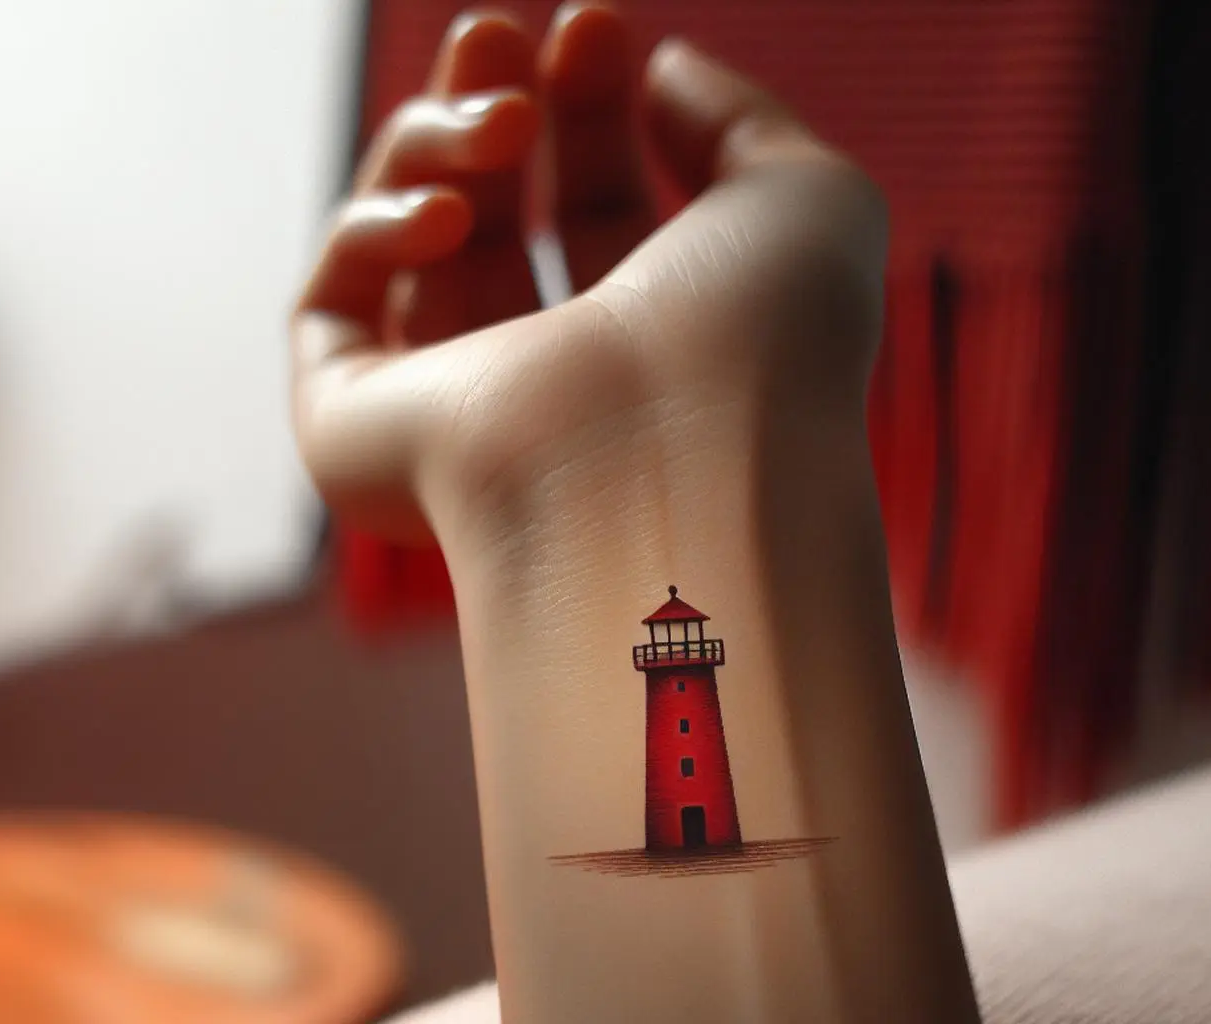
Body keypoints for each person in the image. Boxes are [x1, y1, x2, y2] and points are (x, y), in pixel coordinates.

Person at [292, 4, 978, 1021]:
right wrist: (555, 456)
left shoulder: (679, 663)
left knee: (693, 808)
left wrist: (600, 450)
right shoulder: (680, 659)